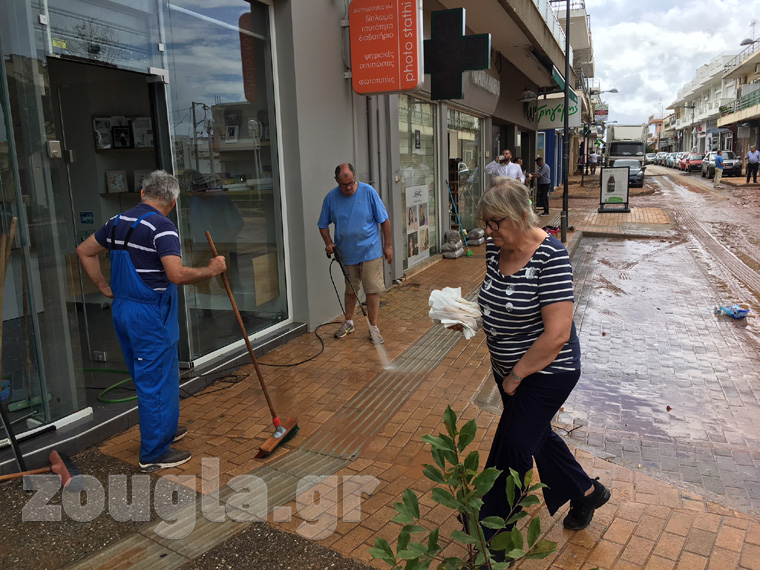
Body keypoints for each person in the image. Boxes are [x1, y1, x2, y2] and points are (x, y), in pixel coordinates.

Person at [451, 177, 610, 550]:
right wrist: (467, 316)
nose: (489, 231)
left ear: (521, 216)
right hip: (508, 369)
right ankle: (587, 492)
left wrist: (516, 376)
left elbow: (557, 335)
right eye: (486, 223)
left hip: (547, 370)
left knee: (514, 443)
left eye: (496, 223)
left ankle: (494, 534)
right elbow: (493, 299)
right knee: (534, 435)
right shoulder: (497, 250)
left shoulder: (551, 257)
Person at [76, 170, 226, 472]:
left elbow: (84, 250)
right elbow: (176, 274)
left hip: (124, 309)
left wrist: (104, 287)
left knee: (157, 376)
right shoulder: (163, 228)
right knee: (154, 381)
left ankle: (164, 428)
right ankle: (154, 453)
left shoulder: (117, 221)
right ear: (173, 202)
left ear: (143, 193)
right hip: (149, 315)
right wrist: (211, 270)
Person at [319, 163, 393, 344]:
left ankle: (373, 328)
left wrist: (388, 245)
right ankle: (349, 322)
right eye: (343, 185)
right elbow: (322, 224)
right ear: (336, 181)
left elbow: (384, 220)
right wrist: (328, 243)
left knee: (372, 290)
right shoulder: (331, 198)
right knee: (351, 289)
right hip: (346, 253)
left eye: (351, 183)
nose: (348, 187)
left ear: (354, 178)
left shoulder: (368, 192)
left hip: (370, 250)